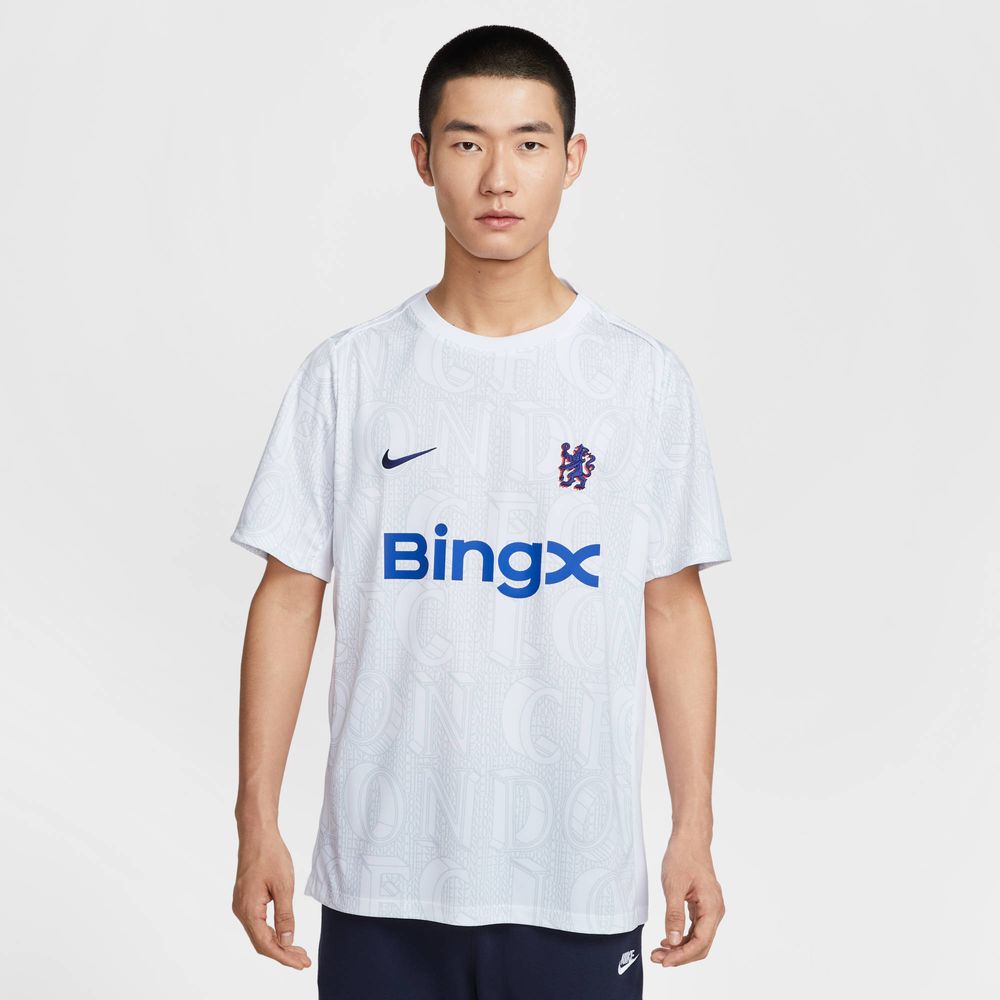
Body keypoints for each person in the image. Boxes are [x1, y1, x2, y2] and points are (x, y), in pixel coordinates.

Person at [229, 23, 732, 1000]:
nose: (498, 177)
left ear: (571, 159)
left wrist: (693, 827)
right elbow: (287, 596)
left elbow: (672, 607)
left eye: (529, 143)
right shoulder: (350, 375)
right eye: (467, 142)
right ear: (424, 158)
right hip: (382, 876)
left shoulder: (639, 381)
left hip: (576, 882)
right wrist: (256, 822)